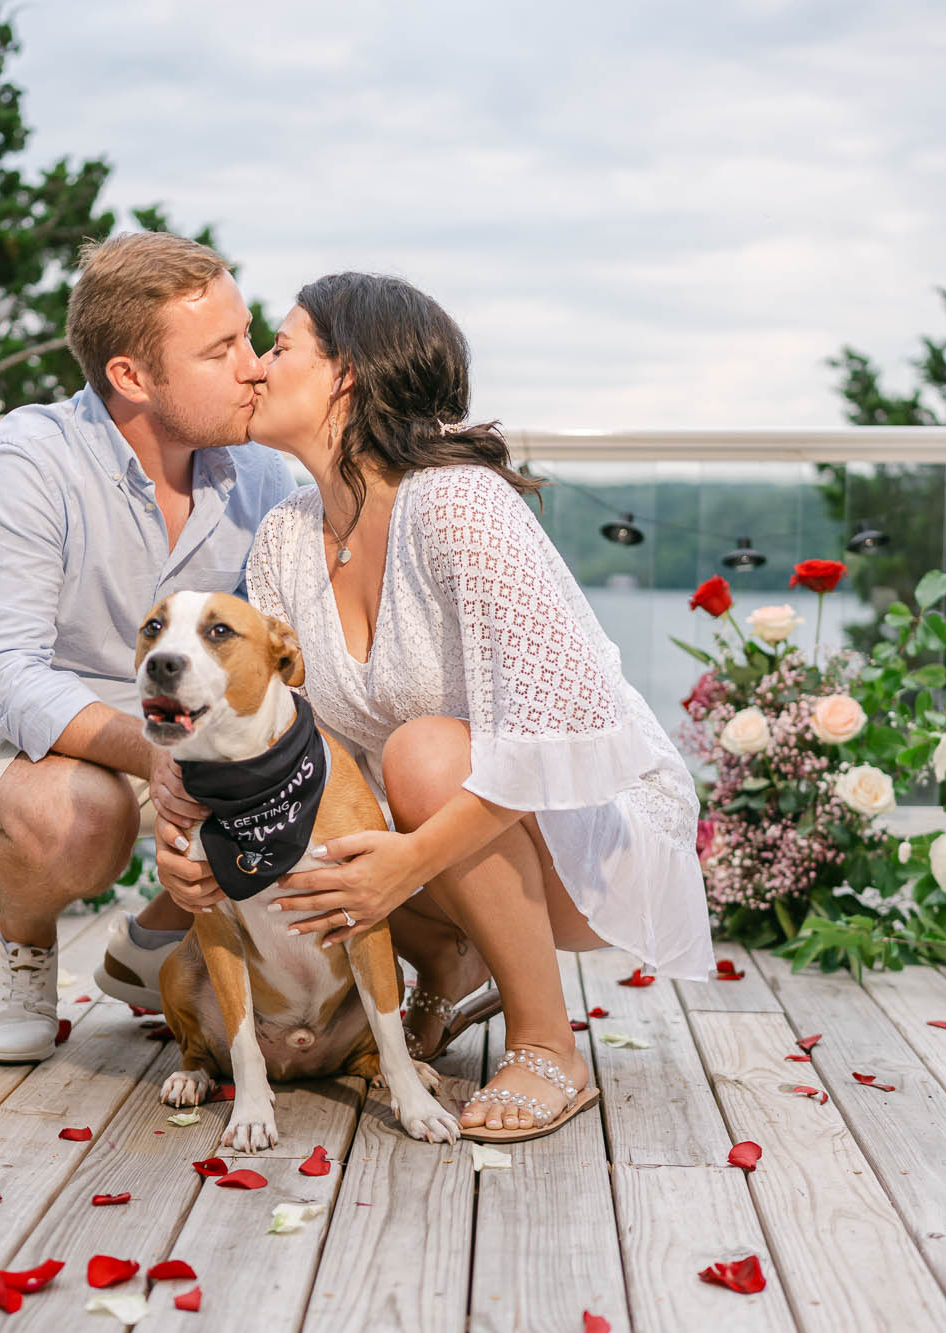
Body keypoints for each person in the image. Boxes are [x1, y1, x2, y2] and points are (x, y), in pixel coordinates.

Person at [154, 272, 713, 1139]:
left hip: (583, 827)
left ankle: (547, 1045)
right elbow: (272, 743)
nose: (257, 368)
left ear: (346, 376)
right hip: (426, 840)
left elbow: (552, 734)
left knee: (420, 754)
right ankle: (444, 972)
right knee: (328, 809)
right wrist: (187, 829)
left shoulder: (457, 502)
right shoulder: (288, 536)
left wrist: (405, 864)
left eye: (280, 345)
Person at [0, 232, 296, 1064]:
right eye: (221, 349)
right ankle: (25, 944)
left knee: (317, 752)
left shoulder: (261, 474)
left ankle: (150, 945)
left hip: (166, 718)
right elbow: (0, 671)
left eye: (249, 336)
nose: (255, 365)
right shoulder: (29, 458)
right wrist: (146, 750)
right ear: (131, 377)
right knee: (83, 816)